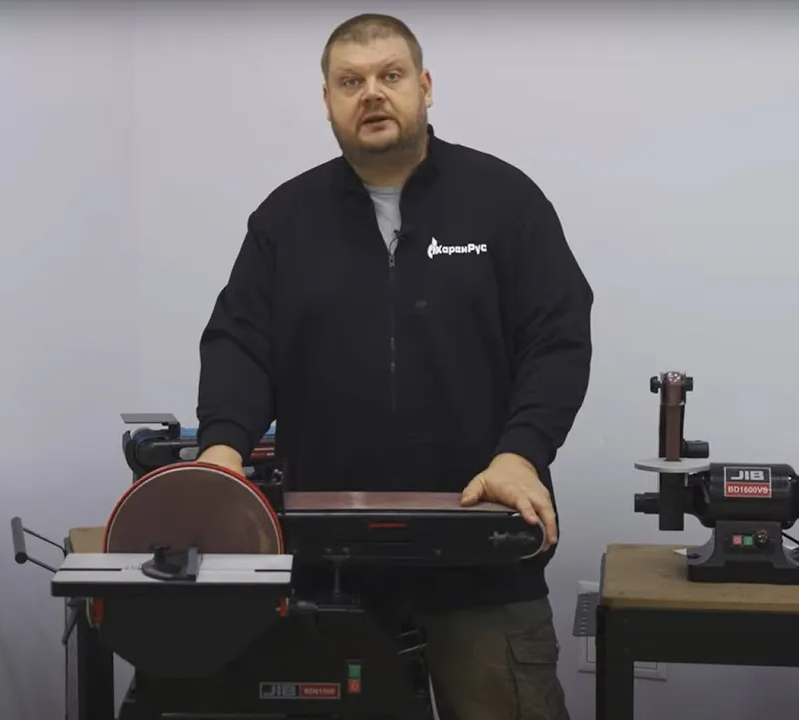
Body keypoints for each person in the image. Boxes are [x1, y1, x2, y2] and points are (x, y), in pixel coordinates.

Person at [195, 13, 592, 720]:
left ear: (425, 87)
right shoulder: (285, 220)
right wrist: (222, 450)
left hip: (482, 555)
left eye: (390, 75)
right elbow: (239, 342)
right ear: (327, 101)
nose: (372, 93)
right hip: (330, 573)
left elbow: (556, 339)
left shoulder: (504, 202)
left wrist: (522, 454)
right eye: (351, 82)